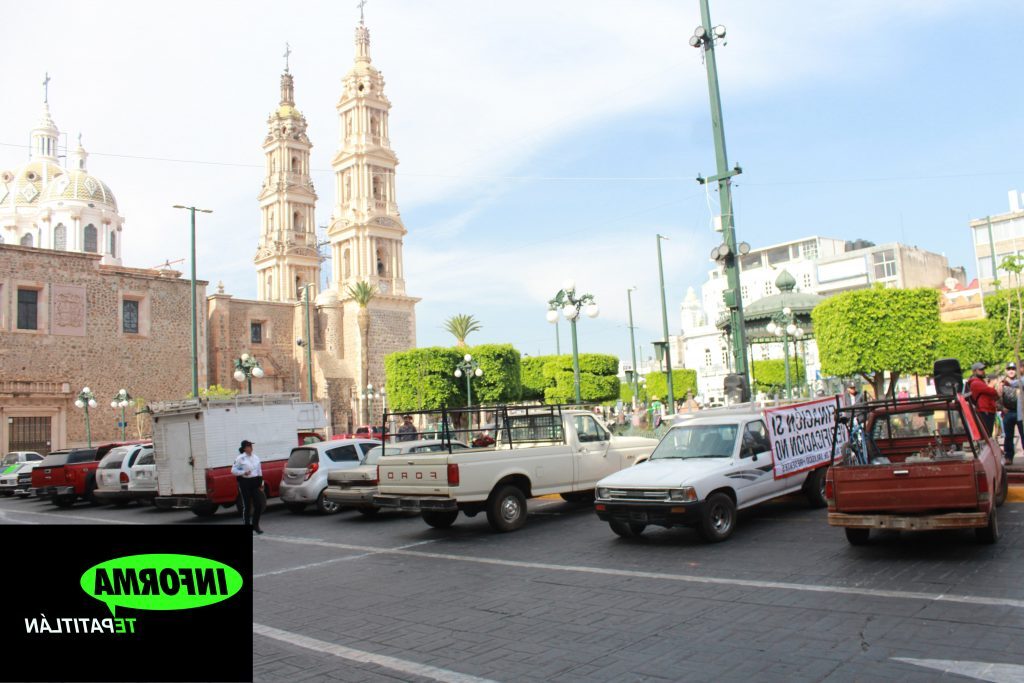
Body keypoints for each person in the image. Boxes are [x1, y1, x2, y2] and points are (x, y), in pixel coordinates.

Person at [231, 440, 264, 534]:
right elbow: (233, 470)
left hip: (255, 482)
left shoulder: (256, 458)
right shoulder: (240, 458)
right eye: (249, 446)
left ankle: (255, 525)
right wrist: (243, 472)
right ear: (245, 448)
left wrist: (261, 484)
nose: (251, 447)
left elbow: (260, 472)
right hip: (245, 482)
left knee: (259, 504)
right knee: (247, 506)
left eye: (251, 445)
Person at [966, 362, 1000, 438]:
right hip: (984, 412)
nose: (983, 371)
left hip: (987, 411)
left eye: (983, 369)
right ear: (974, 371)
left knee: (988, 436)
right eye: (980, 369)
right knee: (987, 437)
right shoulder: (975, 383)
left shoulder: (980, 381)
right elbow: (993, 391)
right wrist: (996, 392)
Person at [1001, 363, 1023, 464]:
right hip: (1008, 412)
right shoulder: (1001, 382)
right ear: (1006, 370)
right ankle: (1008, 457)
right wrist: (1001, 407)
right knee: (1008, 436)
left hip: (1021, 413)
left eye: (1013, 368)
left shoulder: (1021, 380)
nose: (1011, 370)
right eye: (1009, 368)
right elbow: (996, 397)